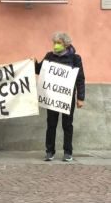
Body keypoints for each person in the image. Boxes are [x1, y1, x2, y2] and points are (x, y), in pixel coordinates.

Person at [35, 32, 85, 162]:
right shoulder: (49, 56)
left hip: (67, 98)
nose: (55, 45)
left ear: (66, 44)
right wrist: (33, 63)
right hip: (52, 97)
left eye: (58, 43)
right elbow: (39, 70)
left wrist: (80, 98)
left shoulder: (75, 59)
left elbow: (80, 79)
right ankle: (49, 151)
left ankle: (68, 152)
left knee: (67, 125)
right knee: (51, 124)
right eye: (54, 42)